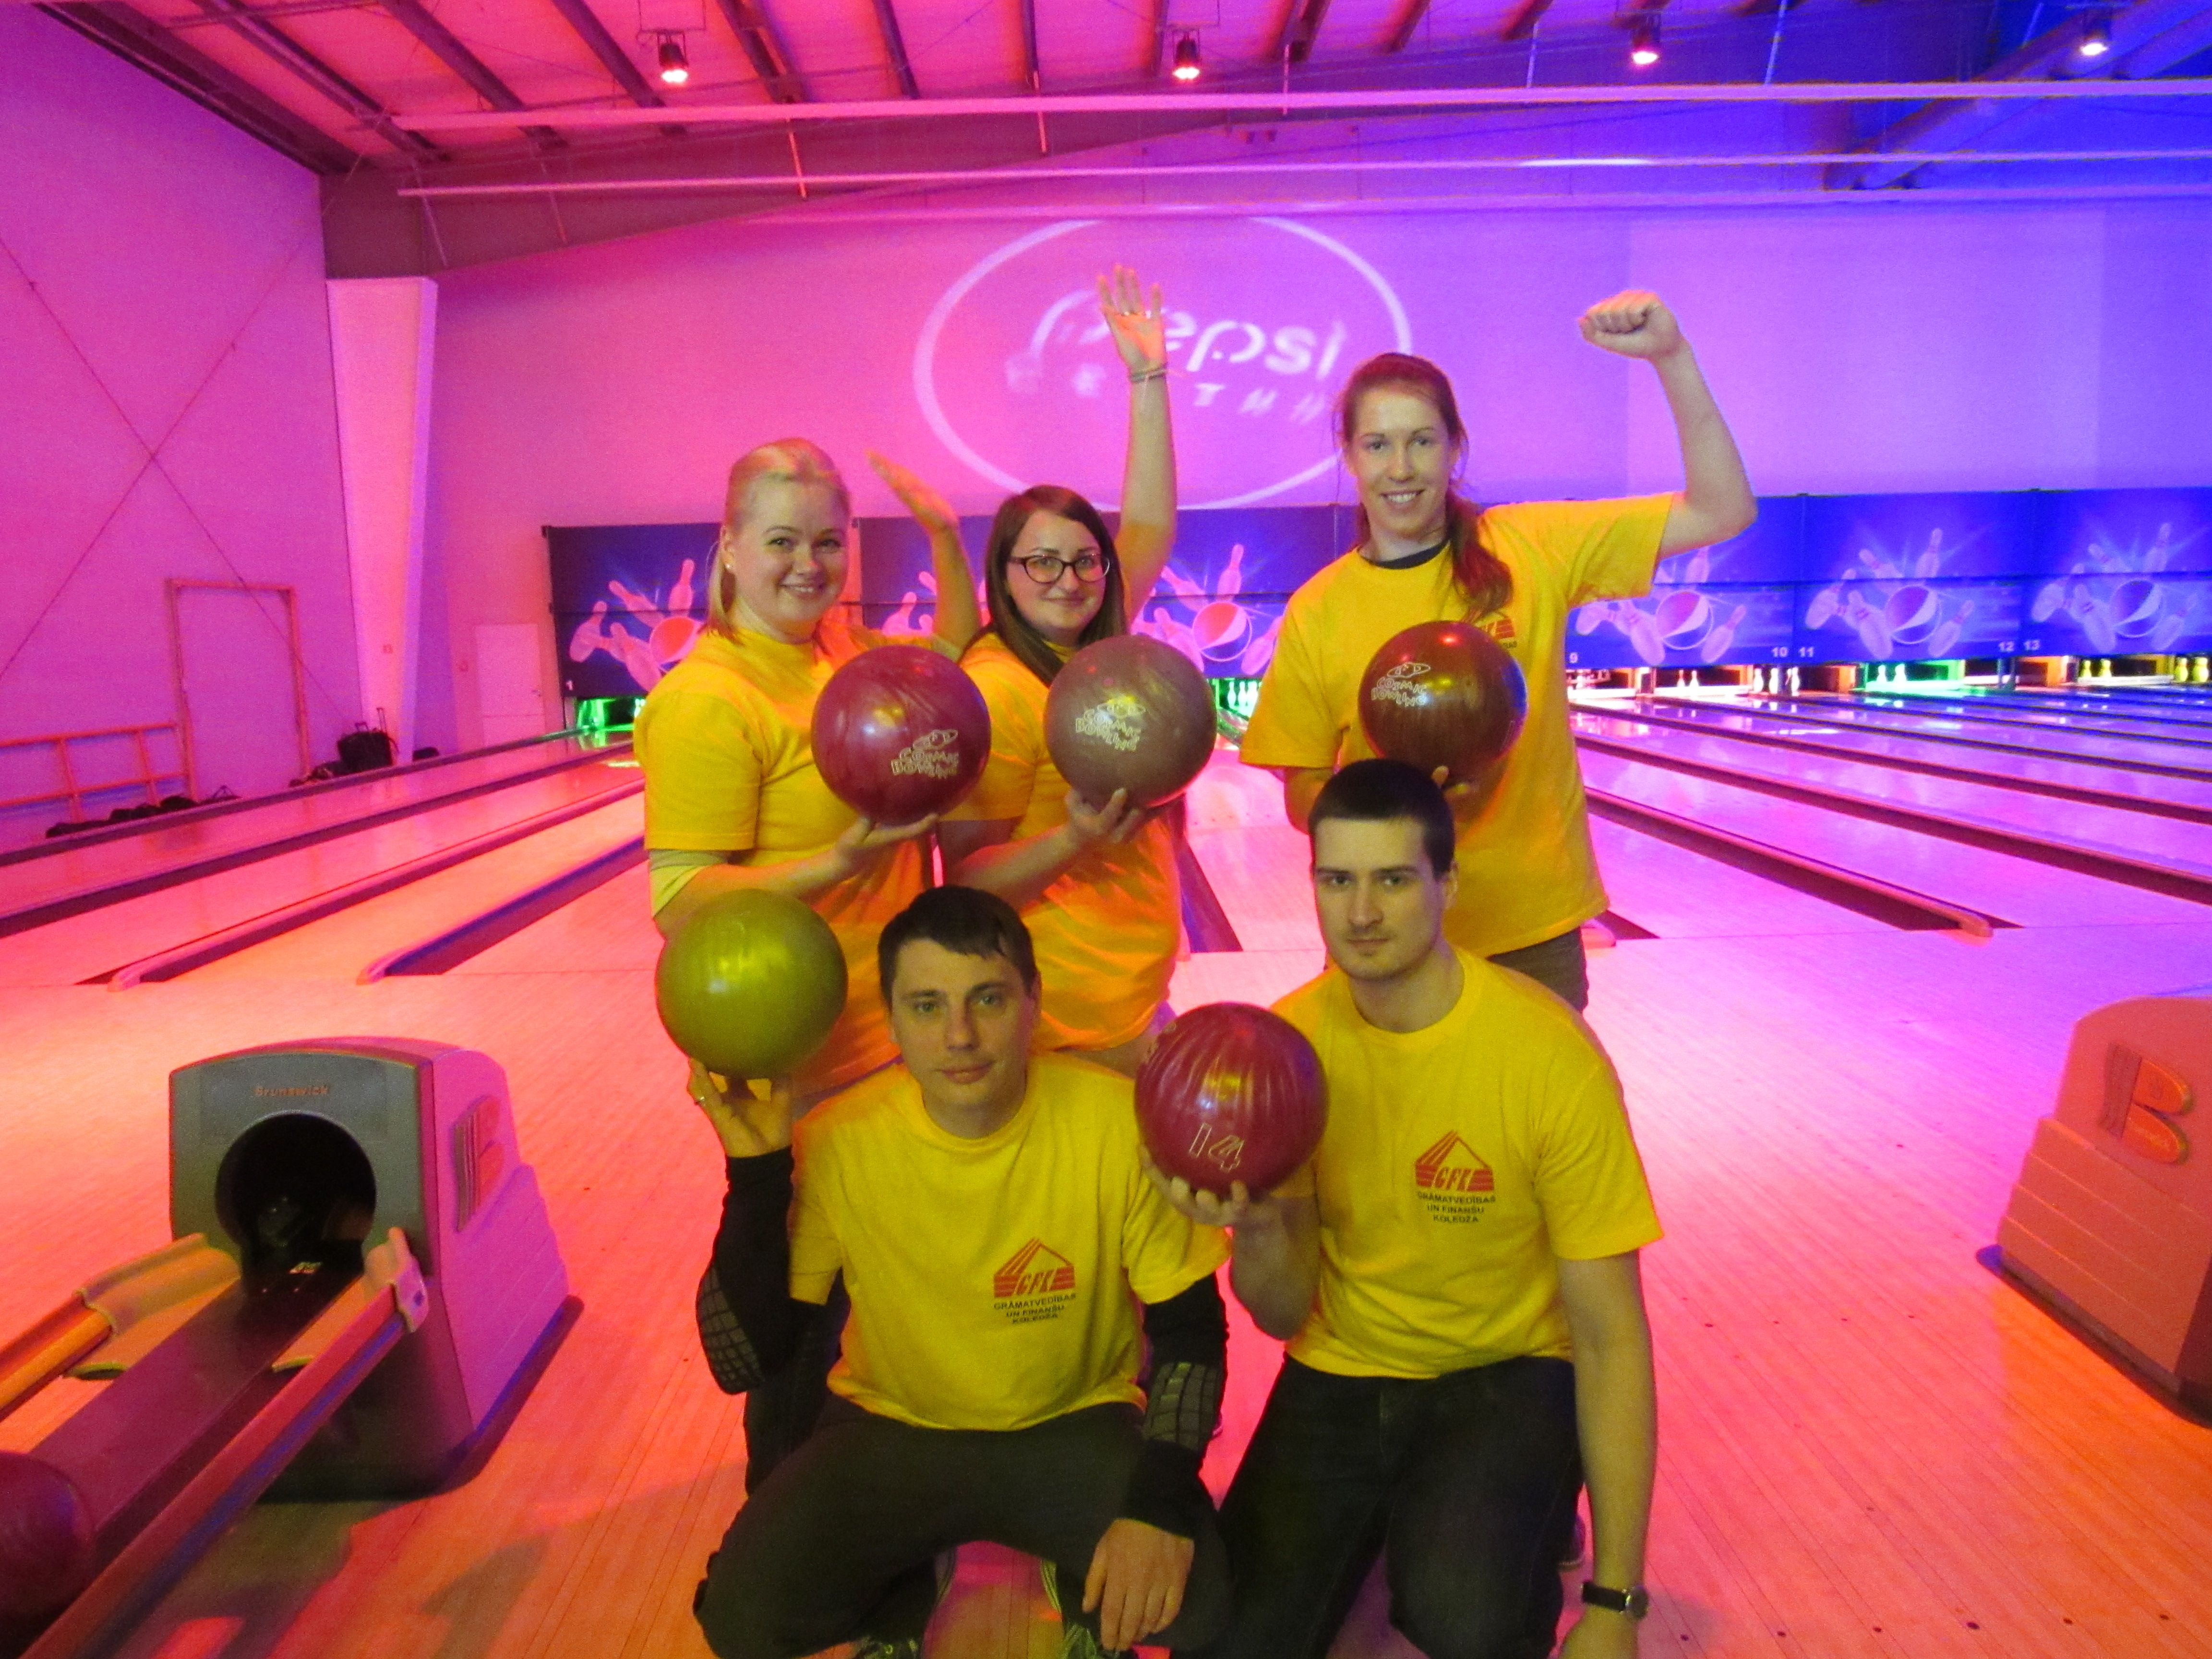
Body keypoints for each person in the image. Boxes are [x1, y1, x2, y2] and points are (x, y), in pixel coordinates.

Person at [1162, 760, 1663, 1659]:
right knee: (1228, 1639)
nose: (1361, 913)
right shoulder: (1286, 1053)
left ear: (1447, 885)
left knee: (1464, 1622)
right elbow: (1282, 1312)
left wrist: (1616, 1604)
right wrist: (1260, 1221)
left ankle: (1523, 1504)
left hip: (1507, 1371)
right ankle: (1433, 1514)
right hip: (1343, 1367)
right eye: (1337, 881)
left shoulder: (1548, 1056)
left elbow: (1610, 1337)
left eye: (1393, 881)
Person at [689, 885, 1234, 1659]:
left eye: (988, 999)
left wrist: (1159, 1506)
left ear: (1034, 1001)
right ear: (892, 1020)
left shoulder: (1119, 1121)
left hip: (1073, 1424)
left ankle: (1076, 1570)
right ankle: (913, 1578)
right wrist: (756, 1174)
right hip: (890, 1427)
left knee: (1204, 1611)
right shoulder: (841, 1137)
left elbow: (1192, 1331)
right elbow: (743, 1359)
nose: (960, 1036)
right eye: (926, 1006)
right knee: (741, 1624)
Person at [1239, 293, 1756, 1009]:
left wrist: (1673, 358)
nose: (1401, 467)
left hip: (1531, 930)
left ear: (1456, 447)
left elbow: (1724, 509)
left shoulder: (1530, 548)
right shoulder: (1319, 608)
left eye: (1423, 441)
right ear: (1350, 455)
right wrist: (1395, 805)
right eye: (1378, 445)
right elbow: (1301, 796)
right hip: (1384, 935)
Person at [634, 437, 978, 1486]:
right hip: (806, 1062)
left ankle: (892, 1506)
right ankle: (790, 1511)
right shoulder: (708, 700)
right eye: (782, 541)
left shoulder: (836, 654)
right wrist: (838, 862)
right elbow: (680, 901)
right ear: (730, 547)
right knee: (808, 1327)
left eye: (828, 543)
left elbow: (945, 667)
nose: (807, 565)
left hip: (893, 1043)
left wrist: (944, 534)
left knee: (887, 1311)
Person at [938, 265, 1185, 1075]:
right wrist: (1075, 838)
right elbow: (968, 880)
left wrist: (1148, 378)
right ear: (1004, 575)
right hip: (1063, 1027)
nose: (1067, 580)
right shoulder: (993, 688)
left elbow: (1147, 522)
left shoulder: (1099, 650)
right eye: (1041, 562)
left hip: (1134, 1004)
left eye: (1084, 561)